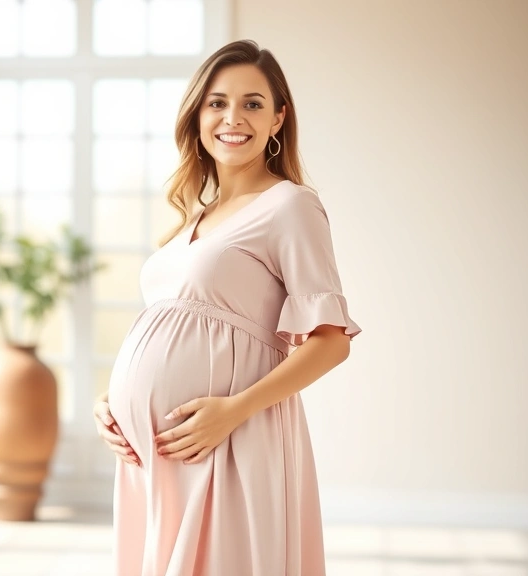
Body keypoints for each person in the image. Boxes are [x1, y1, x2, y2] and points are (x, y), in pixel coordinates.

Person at [92, 39, 361, 576]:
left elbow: (330, 344)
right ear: (197, 115)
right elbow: (169, 325)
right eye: (216, 102)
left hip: (231, 440)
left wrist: (232, 412)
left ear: (278, 117)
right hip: (160, 455)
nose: (232, 117)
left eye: (252, 103)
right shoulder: (198, 214)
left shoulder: (291, 205)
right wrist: (114, 401)